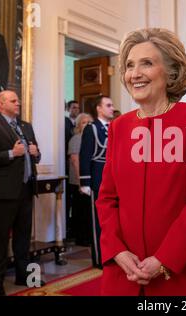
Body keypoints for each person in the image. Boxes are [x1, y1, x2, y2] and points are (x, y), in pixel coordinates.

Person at [95, 28, 186, 296]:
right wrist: (117, 250)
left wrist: (164, 258)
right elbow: (107, 199)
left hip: (184, 271)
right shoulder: (119, 127)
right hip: (126, 271)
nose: (135, 73)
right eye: (130, 65)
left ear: (171, 72)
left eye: (147, 63)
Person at [0, 90, 42, 296]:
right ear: (1, 104)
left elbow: (35, 155)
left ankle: (25, 276)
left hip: (26, 189)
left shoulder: (26, 126)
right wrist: (10, 153)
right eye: (13, 101)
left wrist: (36, 153)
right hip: (4, 193)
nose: (18, 103)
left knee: (23, 237)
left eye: (18, 100)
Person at [79, 96, 115, 268]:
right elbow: (84, 156)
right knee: (99, 222)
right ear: (99, 109)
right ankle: (100, 258)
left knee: (113, 220)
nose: (112, 108)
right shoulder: (91, 129)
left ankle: (113, 254)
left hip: (114, 178)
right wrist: (85, 182)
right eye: (108, 105)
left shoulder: (115, 127)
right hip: (98, 177)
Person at [68, 113, 93, 246]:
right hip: (79, 181)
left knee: (88, 211)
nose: (87, 124)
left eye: (89, 122)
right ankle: (81, 238)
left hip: (89, 180)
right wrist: (81, 182)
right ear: (78, 125)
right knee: (81, 211)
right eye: (84, 122)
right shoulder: (77, 138)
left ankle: (88, 236)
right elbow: (75, 160)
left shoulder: (90, 138)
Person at [65, 100, 80, 240]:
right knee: (70, 200)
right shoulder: (65, 122)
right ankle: (69, 228)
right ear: (68, 109)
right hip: (68, 165)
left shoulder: (78, 123)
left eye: (78, 108)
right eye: (74, 107)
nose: (76, 110)